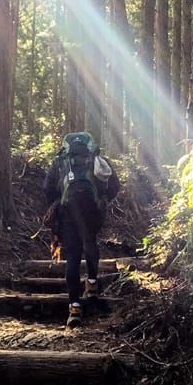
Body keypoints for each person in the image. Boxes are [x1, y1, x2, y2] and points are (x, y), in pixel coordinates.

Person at [43, 132, 121, 328]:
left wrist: (56, 204)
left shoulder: (60, 161)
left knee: (73, 256)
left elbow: (47, 188)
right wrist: (102, 201)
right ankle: (93, 283)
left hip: (68, 212)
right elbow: (114, 185)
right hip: (92, 211)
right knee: (90, 242)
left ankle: (75, 307)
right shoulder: (97, 159)